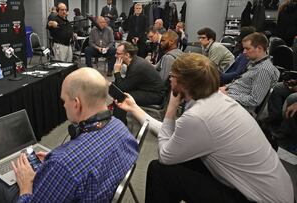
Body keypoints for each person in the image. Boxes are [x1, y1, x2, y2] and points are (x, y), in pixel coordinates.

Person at [116, 53, 294, 203]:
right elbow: (171, 133)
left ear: (183, 83)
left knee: (160, 171)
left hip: (258, 199)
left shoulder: (199, 116)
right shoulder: (216, 100)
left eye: (172, 76)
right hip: (275, 192)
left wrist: (170, 109)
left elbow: (165, 156)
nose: (169, 80)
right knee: (183, 159)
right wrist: (134, 108)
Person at [0, 68, 138, 203]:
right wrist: (53, 162)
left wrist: (26, 186)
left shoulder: (62, 164)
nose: (63, 105)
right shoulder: (120, 127)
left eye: (64, 100)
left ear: (76, 104)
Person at [220, 32, 280, 112]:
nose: (244, 52)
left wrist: (228, 95)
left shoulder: (264, 70)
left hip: (238, 107)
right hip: (229, 98)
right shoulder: (254, 63)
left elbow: (254, 100)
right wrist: (226, 87)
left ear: (259, 48)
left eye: (247, 49)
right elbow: (240, 81)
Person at [113, 41, 165, 124]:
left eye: (118, 54)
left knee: (122, 98)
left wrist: (117, 72)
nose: (115, 56)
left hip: (155, 95)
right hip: (149, 90)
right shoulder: (135, 61)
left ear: (127, 55)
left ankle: (118, 126)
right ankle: (119, 122)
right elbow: (125, 84)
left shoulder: (136, 67)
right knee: (119, 92)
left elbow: (122, 88)